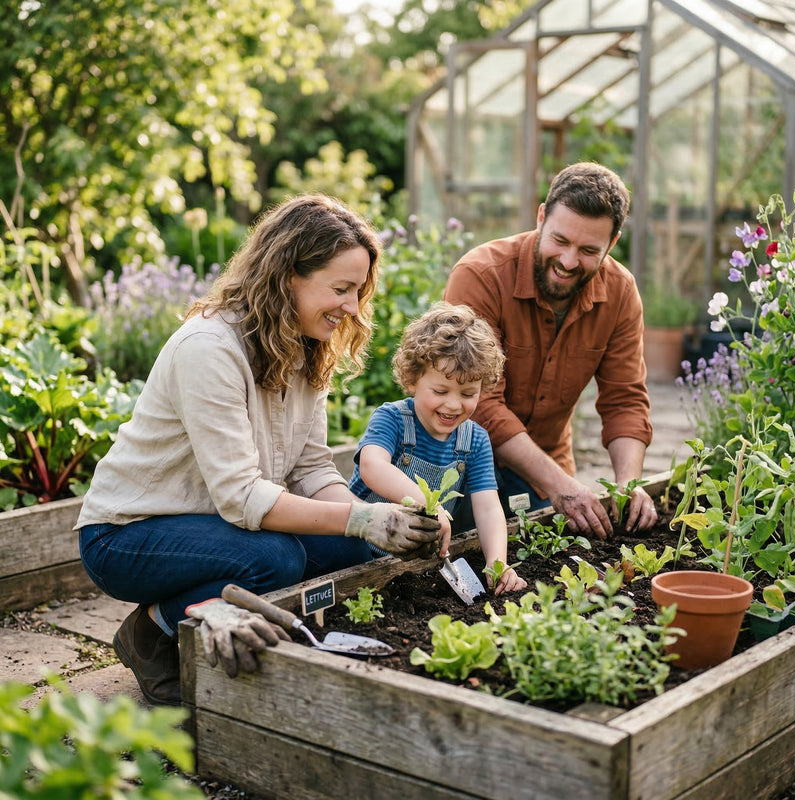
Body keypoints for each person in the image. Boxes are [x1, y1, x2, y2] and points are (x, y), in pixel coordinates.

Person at [76, 195, 439, 706]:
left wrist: (375, 521)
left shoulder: (307, 347)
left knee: (354, 548)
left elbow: (313, 468)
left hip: (217, 525)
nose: (353, 308)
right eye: (340, 289)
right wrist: (360, 517)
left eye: (358, 292)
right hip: (129, 534)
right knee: (275, 559)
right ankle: (152, 631)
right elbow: (241, 498)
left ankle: (229, 612)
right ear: (288, 273)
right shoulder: (209, 348)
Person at [443, 162, 657, 540]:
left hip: (544, 470)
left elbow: (624, 400)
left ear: (613, 242)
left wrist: (628, 486)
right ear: (541, 217)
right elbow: (481, 406)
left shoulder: (621, 291)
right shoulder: (481, 276)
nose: (569, 261)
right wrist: (561, 485)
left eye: (590, 249)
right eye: (560, 240)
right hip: (457, 465)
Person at [349, 302, 527, 595]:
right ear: (413, 379)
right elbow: (372, 466)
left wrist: (497, 563)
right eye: (441, 391)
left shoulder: (475, 440)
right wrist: (430, 507)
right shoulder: (391, 419)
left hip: (412, 563)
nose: (454, 404)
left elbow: (487, 507)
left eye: (469, 393)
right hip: (358, 549)